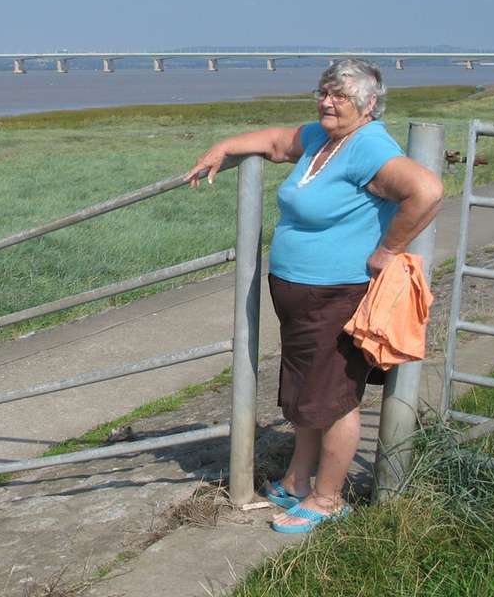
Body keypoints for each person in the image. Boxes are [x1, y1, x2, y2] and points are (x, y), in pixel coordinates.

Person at [184, 59, 443, 534]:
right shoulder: (325, 138)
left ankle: (328, 497)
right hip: (299, 292)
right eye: (323, 92)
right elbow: (277, 141)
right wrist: (222, 147)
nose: (326, 102)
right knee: (306, 388)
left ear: (368, 105)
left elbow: (426, 190)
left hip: (337, 295)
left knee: (336, 396)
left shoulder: (366, 146)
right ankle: (299, 480)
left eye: (339, 96)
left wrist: (387, 251)